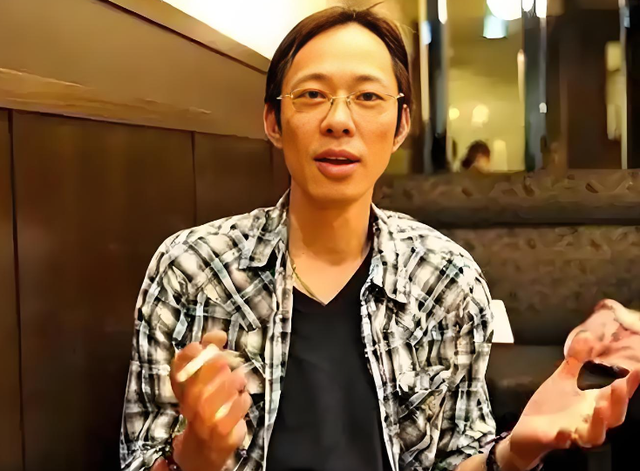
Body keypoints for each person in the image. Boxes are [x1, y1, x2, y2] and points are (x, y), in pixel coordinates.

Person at [119, 6, 639, 471]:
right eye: (312, 95)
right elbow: (140, 457)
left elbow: (458, 458)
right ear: (273, 121)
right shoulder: (191, 269)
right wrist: (197, 456)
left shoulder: (447, 279)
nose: (338, 121)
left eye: (368, 97)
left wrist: (514, 454)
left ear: (400, 124)